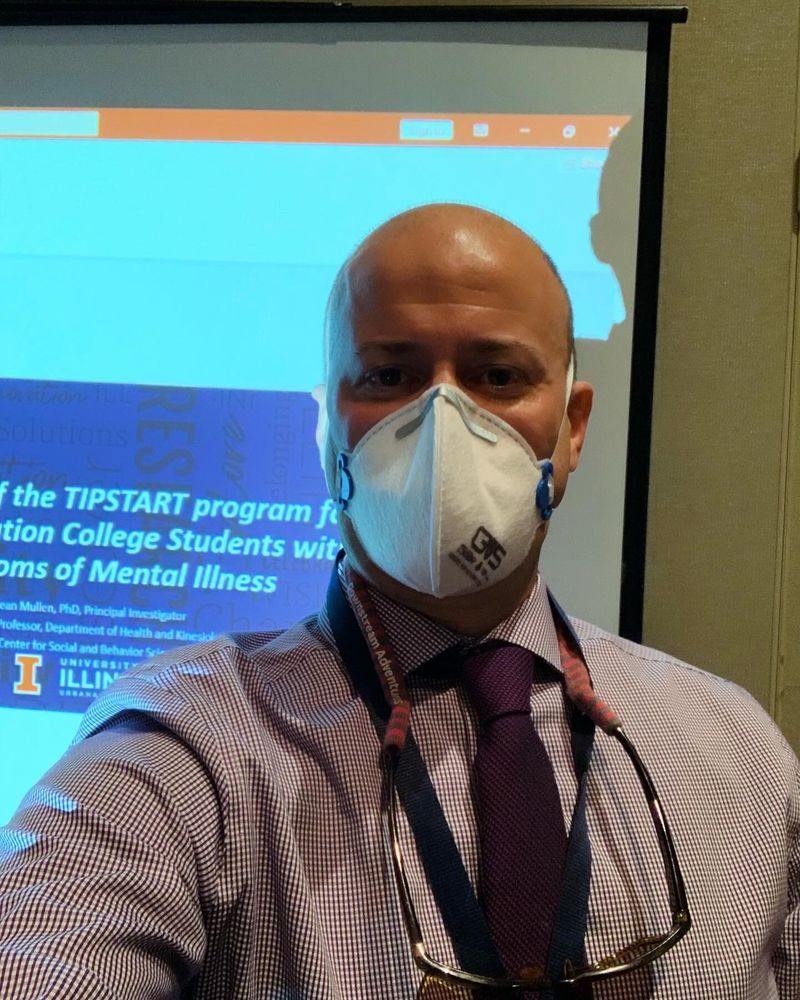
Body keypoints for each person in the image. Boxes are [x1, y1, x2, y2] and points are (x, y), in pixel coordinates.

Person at [0, 203, 798, 999]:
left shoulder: (740, 752)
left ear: (572, 427)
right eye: (389, 376)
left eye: (497, 376)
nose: (442, 424)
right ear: (326, 430)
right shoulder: (187, 749)